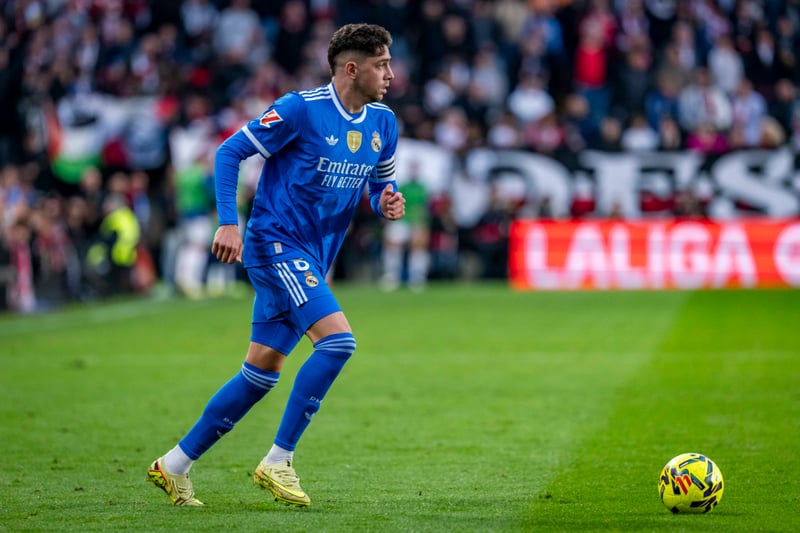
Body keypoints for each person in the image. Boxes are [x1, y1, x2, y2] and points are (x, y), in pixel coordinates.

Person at [146, 23, 404, 508]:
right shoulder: (300, 109)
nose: (391, 74)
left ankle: (174, 464)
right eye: (382, 64)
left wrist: (386, 200)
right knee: (338, 343)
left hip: (314, 256)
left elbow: (380, 186)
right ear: (352, 68)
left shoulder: (383, 122)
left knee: (260, 373)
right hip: (276, 245)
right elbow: (230, 151)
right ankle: (278, 460)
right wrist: (229, 223)